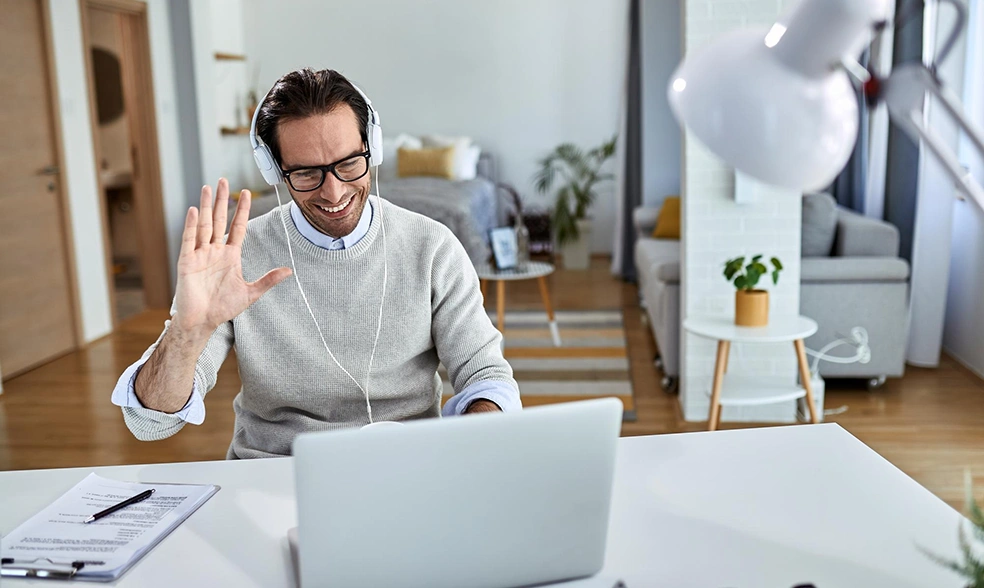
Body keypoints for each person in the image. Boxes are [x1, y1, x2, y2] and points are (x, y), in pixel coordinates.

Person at [111, 68, 521, 459]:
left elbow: (488, 376)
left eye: (348, 163)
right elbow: (150, 423)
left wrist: (467, 446)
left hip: (406, 468)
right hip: (273, 471)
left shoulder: (431, 246)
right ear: (275, 171)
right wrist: (188, 331)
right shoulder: (240, 255)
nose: (333, 191)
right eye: (307, 173)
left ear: (371, 148)